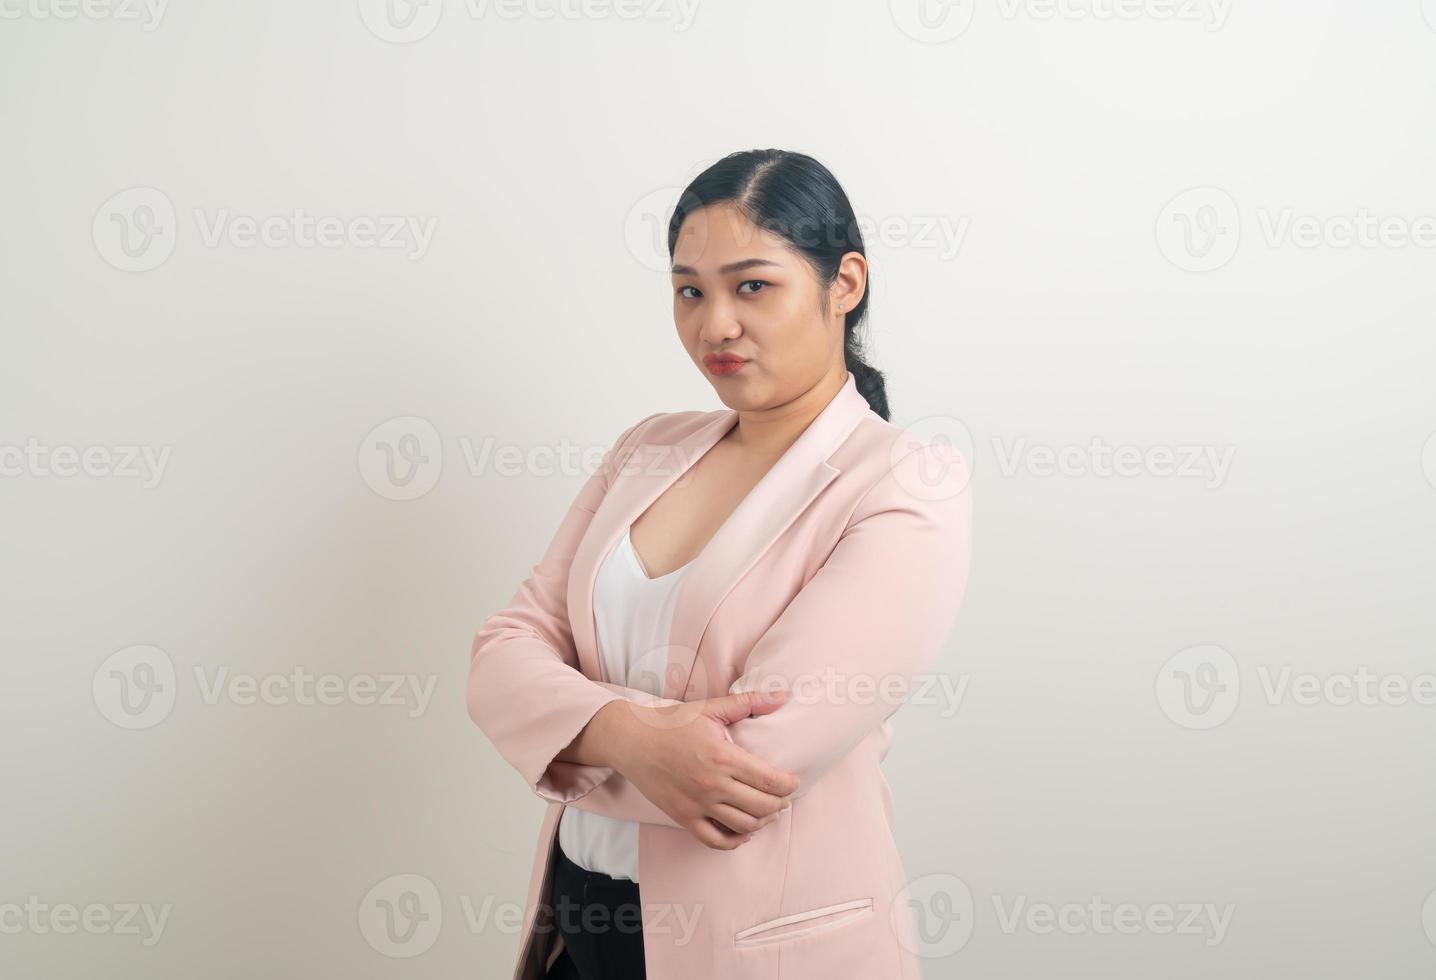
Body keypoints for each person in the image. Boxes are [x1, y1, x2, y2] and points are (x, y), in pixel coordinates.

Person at [468, 148, 973, 979]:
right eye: (689, 291)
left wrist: (550, 729)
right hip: (575, 926)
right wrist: (631, 736)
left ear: (844, 284)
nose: (715, 326)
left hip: (755, 949)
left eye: (752, 286)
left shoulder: (903, 482)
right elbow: (502, 653)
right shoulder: (647, 448)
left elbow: (746, 769)